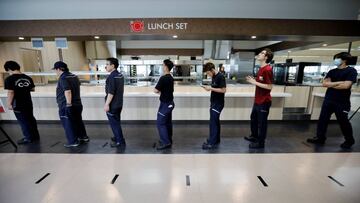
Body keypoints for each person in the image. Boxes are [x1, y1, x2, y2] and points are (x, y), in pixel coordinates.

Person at [307, 52, 358, 149]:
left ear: (344, 60)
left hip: (342, 102)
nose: (335, 60)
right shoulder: (332, 71)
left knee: (343, 121)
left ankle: (349, 140)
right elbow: (325, 84)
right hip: (329, 99)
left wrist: (332, 84)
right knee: (323, 120)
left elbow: (346, 86)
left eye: (337, 58)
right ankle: (320, 137)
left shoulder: (351, 71)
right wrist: (339, 82)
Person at [53, 61, 89, 148]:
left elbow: (68, 91)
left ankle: (73, 141)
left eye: (55, 70)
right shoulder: (74, 76)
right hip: (78, 104)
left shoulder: (63, 78)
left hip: (67, 105)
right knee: (78, 121)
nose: (55, 72)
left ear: (59, 69)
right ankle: (83, 137)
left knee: (68, 123)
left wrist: (68, 104)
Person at [4, 61, 40, 144]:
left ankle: (28, 138)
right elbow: (32, 89)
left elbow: (11, 92)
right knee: (30, 118)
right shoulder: (28, 77)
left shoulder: (10, 79)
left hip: (18, 103)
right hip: (28, 102)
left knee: (23, 121)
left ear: (9, 69)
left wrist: (9, 104)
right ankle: (35, 135)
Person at [244, 48, 274, 149]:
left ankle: (261, 144)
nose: (259, 54)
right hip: (257, 101)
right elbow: (261, 83)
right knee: (253, 119)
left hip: (264, 101)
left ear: (266, 57)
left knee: (262, 123)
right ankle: (254, 137)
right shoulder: (261, 69)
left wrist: (254, 82)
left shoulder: (267, 69)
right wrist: (254, 80)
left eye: (262, 53)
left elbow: (269, 87)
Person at [201, 62, 226, 150]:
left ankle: (211, 143)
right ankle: (216, 139)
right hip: (214, 102)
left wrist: (210, 88)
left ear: (212, 70)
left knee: (213, 123)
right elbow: (216, 87)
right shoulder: (214, 76)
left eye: (208, 73)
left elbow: (223, 90)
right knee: (215, 121)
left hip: (218, 103)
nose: (208, 75)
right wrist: (209, 87)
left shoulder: (220, 76)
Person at [104, 57, 126, 148]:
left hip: (113, 104)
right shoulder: (120, 75)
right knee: (116, 122)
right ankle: (118, 137)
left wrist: (107, 104)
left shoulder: (112, 77)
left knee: (114, 124)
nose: (106, 66)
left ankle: (120, 142)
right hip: (119, 103)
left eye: (107, 64)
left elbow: (111, 93)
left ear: (113, 66)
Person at [154, 59, 175, 150]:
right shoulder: (171, 77)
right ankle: (168, 139)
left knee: (160, 123)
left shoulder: (163, 78)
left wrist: (160, 92)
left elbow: (155, 90)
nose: (162, 67)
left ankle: (166, 142)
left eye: (163, 65)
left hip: (165, 104)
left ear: (166, 67)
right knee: (167, 122)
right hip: (170, 103)